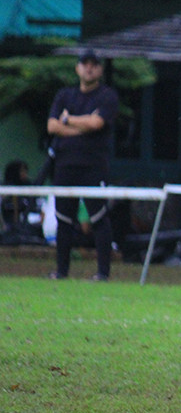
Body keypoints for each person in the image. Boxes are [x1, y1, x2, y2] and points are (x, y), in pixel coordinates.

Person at [46, 49, 119, 281]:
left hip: (93, 166)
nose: (89, 68)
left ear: (100, 69)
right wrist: (81, 127)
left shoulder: (107, 96)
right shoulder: (64, 95)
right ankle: (61, 272)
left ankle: (103, 273)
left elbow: (97, 123)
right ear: (77, 68)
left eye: (94, 64)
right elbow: (52, 127)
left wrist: (68, 120)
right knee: (64, 220)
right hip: (65, 165)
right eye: (84, 64)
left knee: (98, 219)